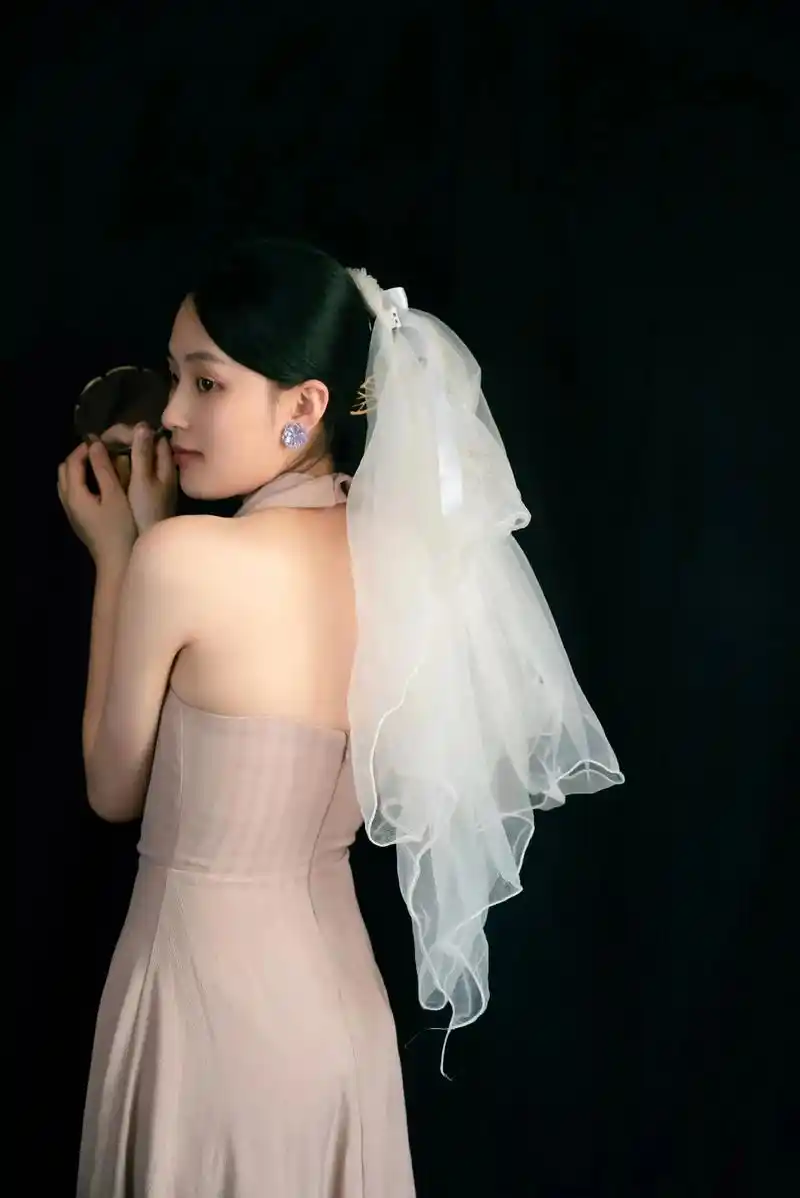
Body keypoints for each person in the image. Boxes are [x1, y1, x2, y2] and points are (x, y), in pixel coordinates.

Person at [57, 237, 623, 1197]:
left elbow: (115, 790)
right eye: (173, 377)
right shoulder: (403, 565)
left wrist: (120, 556)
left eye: (207, 383)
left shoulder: (181, 563)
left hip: (205, 1012)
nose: (174, 413)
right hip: (340, 1018)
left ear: (305, 406)